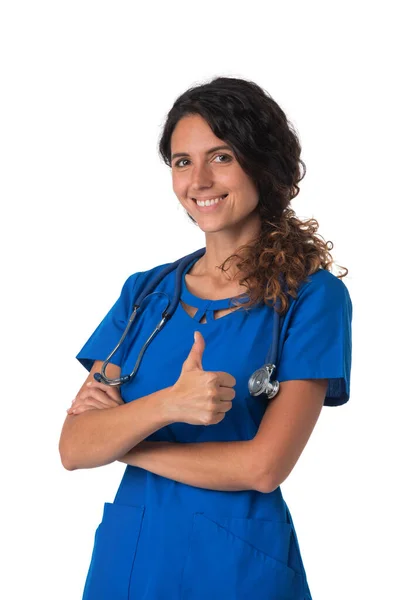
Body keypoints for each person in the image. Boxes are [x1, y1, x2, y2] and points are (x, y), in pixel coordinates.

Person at [59, 76, 352, 600]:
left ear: (261, 163)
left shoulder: (311, 297)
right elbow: (75, 447)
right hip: (132, 556)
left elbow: (264, 466)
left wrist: (125, 442)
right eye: (181, 161)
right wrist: (169, 405)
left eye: (220, 157)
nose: (199, 179)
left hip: (237, 564)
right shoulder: (145, 293)